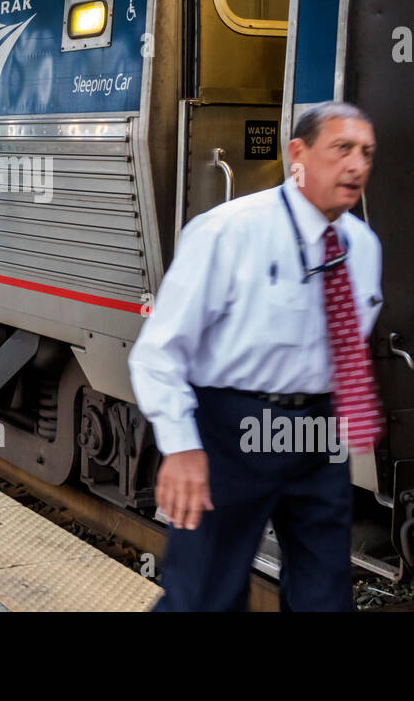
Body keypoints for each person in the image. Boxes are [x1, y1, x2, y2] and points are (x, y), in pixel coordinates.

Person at [129, 101, 384, 611]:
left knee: (326, 598)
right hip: (229, 431)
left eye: (366, 153)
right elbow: (158, 352)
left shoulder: (362, 245)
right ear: (298, 153)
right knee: (204, 597)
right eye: (342, 150)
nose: (356, 166)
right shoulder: (229, 230)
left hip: (318, 435)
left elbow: (349, 342)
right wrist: (180, 447)